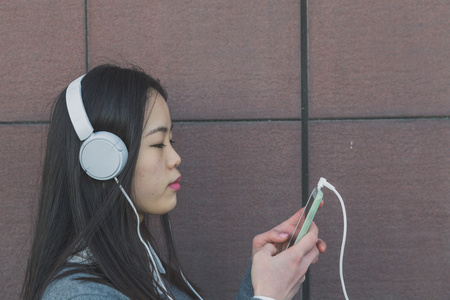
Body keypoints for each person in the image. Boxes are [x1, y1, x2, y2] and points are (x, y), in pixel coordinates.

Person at [22, 64, 326, 300]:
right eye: (158, 144)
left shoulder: (144, 269)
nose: (175, 157)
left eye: (172, 140)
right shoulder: (78, 295)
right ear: (103, 159)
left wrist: (260, 282)